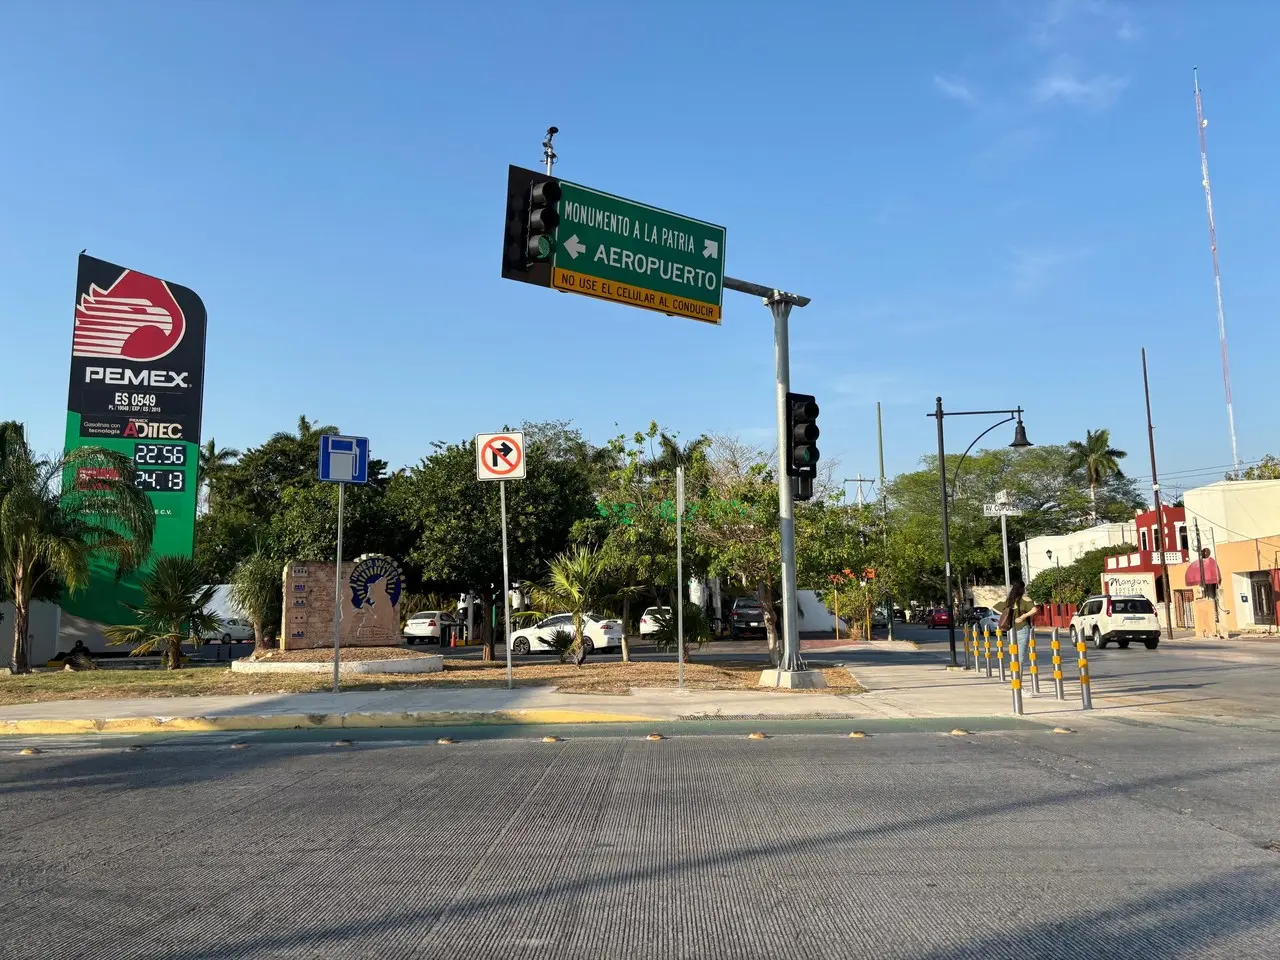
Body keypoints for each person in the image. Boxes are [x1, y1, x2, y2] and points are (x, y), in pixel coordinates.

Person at [993, 580, 1036, 673]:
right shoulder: (1025, 599)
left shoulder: (1009, 600)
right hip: (1022, 628)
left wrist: (1006, 614)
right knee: (1020, 659)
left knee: (1013, 657)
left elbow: (995, 607)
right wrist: (1022, 617)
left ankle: (1015, 682)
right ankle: (1018, 684)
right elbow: (1034, 609)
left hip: (1010, 631)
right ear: (1022, 588)